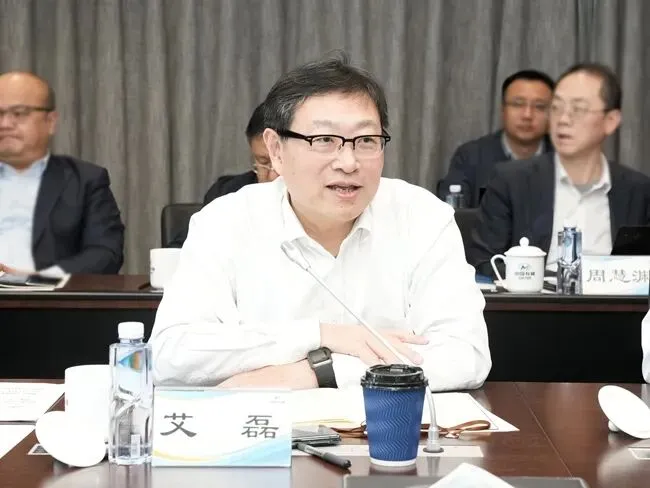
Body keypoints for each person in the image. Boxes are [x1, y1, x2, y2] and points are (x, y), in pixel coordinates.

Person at [151, 52, 491, 391]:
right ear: (276, 151)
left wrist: (319, 373)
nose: (348, 162)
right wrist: (318, 335)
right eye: (324, 140)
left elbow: (465, 356)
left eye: (366, 141)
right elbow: (171, 356)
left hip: (384, 421)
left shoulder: (422, 217)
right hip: (267, 423)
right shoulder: (225, 222)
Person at [469, 63, 650, 278]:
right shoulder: (511, 182)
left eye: (578, 109)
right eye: (556, 108)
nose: (563, 119)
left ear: (610, 121)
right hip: (534, 299)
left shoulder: (638, 191)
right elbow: (482, 262)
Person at [0, 71, 124, 275]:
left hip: (51, 292)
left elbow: (105, 253)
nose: (5, 124)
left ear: (50, 121)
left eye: (19, 113)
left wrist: (40, 279)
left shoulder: (85, 181)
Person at [438, 70, 554, 207]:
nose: (527, 115)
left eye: (539, 106)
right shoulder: (470, 156)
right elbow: (452, 213)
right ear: (503, 110)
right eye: (518, 104)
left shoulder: (564, 159)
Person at [167, 102, 277, 247]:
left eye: (280, 161)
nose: (272, 176)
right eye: (263, 162)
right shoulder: (227, 192)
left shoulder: (307, 202)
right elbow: (181, 248)